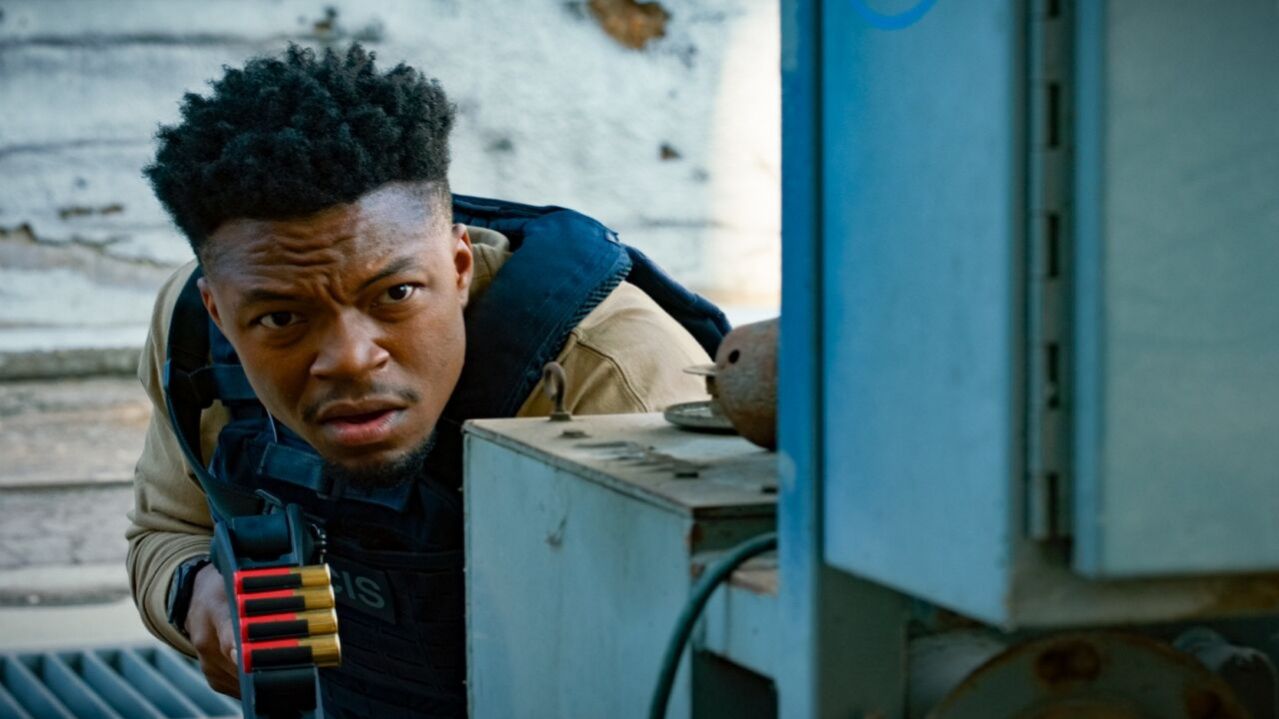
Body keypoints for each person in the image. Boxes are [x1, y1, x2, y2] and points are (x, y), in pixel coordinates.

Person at [126, 44, 721, 717]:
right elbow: (166, 527)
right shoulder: (195, 338)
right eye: (283, 318)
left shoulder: (617, 376)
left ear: (459, 266)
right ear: (219, 310)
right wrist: (195, 593)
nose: (351, 359)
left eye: (397, 294)